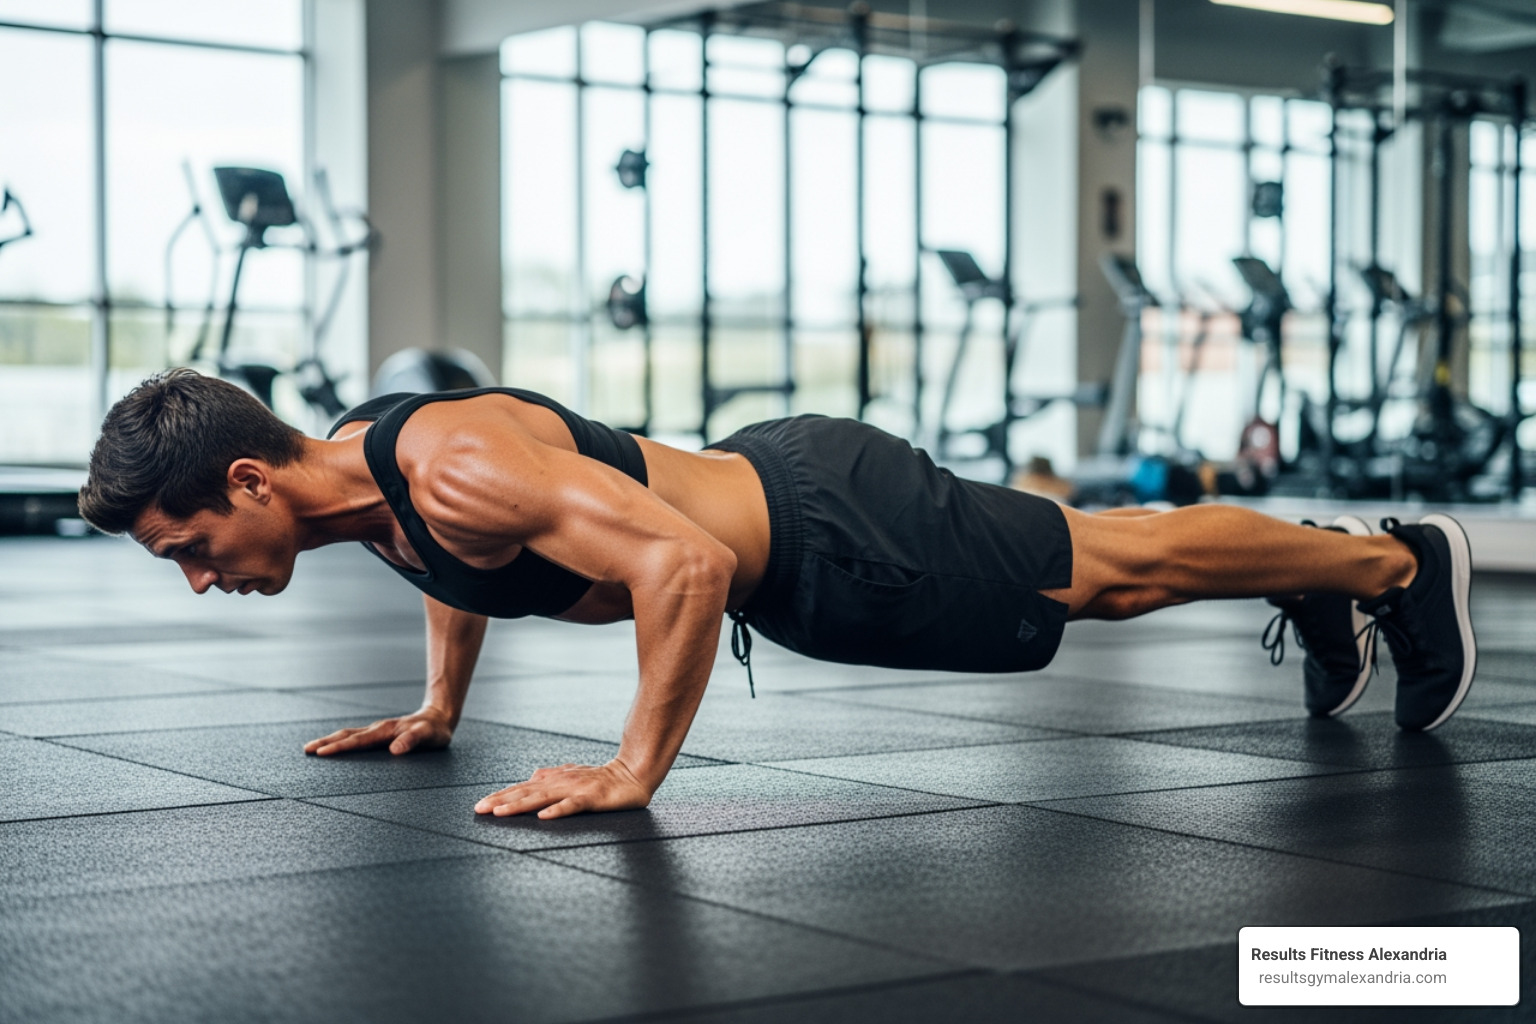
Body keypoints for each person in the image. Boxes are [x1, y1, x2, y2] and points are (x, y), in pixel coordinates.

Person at [77, 369, 1477, 820]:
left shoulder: (445, 465)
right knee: (1108, 565)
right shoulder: (365, 491)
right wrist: (441, 704)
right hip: (803, 545)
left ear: (250, 480)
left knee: (1114, 569)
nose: (200, 582)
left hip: (824, 526)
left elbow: (676, 564)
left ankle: (1397, 561)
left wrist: (636, 770)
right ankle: (1345, 577)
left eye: (187, 547)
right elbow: (467, 571)